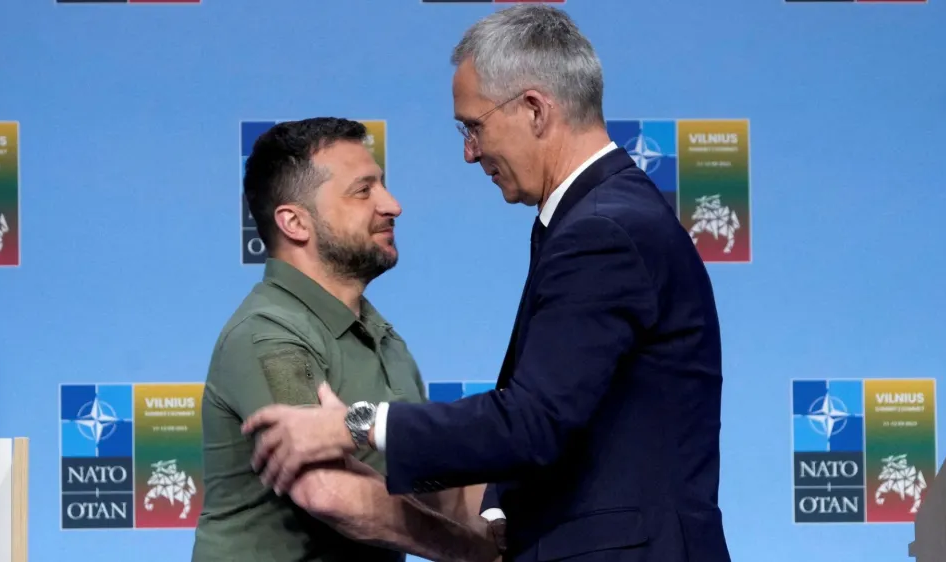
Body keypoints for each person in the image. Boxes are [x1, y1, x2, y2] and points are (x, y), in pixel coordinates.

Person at [240, 7, 732, 562]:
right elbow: (578, 411)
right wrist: (499, 507)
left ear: (534, 109)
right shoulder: (602, 216)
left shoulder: (602, 231)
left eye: (474, 126)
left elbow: (533, 422)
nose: (470, 152)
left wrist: (356, 423)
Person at [191, 117, 500, 562]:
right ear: (295, 222)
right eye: (364, 191)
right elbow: (328, 491)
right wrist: (476, 550)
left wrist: (512, 526)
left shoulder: (386, 340)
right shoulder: (268, 334)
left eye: (384, 187)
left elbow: (441, 491)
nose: (393, 205)